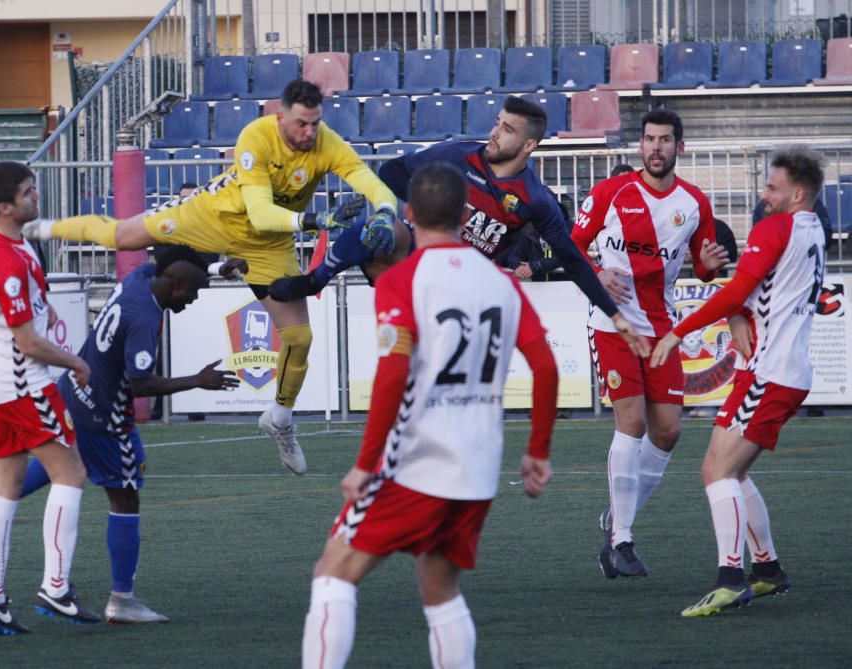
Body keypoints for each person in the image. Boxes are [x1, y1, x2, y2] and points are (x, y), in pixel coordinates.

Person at [22, 79, 399, 476]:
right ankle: (42, 229)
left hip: (268, 245)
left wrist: (387, 211)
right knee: (124, 234)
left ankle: (281, 419)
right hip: (212, 217)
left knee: (299, 338)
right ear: (281, 116)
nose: (309, 132)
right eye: (302, 123)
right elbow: (259, 211)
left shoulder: (326, 143)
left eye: (315, 123)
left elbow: (367, 179)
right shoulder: (257, 135)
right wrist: (316, 220)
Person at [300, 162, 559, 668]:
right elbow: (546, 367)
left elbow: (393, 376)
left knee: (333, 574)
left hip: (417, 458)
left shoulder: (402, 280)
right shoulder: (501, 282)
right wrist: (538, 452)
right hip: (478, 467)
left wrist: (365, 462)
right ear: (465, 213)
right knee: (440, 590)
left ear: (410, 213)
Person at [269, 96, 647, 356]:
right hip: (420, 254)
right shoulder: (457, 155)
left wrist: (613, 313)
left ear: (529, 145)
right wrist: (428, 206)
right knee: (375, 230)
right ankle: (313, 280)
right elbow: (391, 171)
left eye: (508, 130)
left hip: (463, 283)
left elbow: (572, 258)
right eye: (498, 124)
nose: (496, 133)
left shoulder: (536, 199)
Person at [0, 247, 244, 623]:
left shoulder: (139, 278)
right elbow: (140, 385)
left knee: (67, 463)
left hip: (74, 391)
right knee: (126, 499)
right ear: (177, 285)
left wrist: (220, 268)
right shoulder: (144, 319)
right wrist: (197, 380)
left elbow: (171, 265)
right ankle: (121, 600)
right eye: (195, 291)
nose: (195, 298)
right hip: (105, 415)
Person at [650, 146, 826, 617]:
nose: (765, 195)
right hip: (776, 369)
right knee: (731, 470)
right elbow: (763, 292)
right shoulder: (814, 229)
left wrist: (679, 331)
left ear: (799, 193)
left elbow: (736, 289)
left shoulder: (777, 228)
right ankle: (766, 570)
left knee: (716, 471)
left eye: (773, 188)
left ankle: (731, 577)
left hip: (769, 372)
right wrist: (742, 315)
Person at [570, 109, 730, 579]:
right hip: (614, 322)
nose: (655, 147)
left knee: (667, 431)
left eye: (664, 140)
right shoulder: (610, 193)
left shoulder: (695, 202)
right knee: (633, 421)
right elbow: (571, 246)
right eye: (648, 139)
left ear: (679, 148)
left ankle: (616, 518)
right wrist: (597, 272)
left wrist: (709, 264)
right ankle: (622, 538)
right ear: (639, 146)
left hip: (662, 327)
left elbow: (704, 269)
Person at [0, 161, 100, 634]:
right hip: (23, 381)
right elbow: (27, 342)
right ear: (6, 207)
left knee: (6, 486)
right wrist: (76, 361)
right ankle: (56, 587)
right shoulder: (5, 259)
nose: (36, 197)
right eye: (29, 193)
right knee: (71, 473)